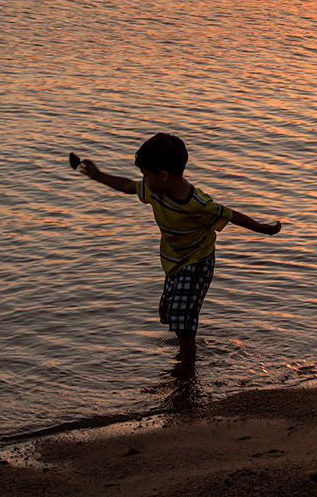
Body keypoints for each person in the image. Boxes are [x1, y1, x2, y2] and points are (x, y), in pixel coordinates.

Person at [76, 133, 281, 371]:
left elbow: (230, 214)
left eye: (145, 175)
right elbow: (127, 186)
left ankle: (186, 367)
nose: (143, 180)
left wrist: (263, 229)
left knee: (182, 314)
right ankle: (184, 357)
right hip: (174, 261)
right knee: (170, 313)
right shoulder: (154, 190)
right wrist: (98, 175)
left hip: (198, 261)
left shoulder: (197, 203)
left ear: (163, 175)